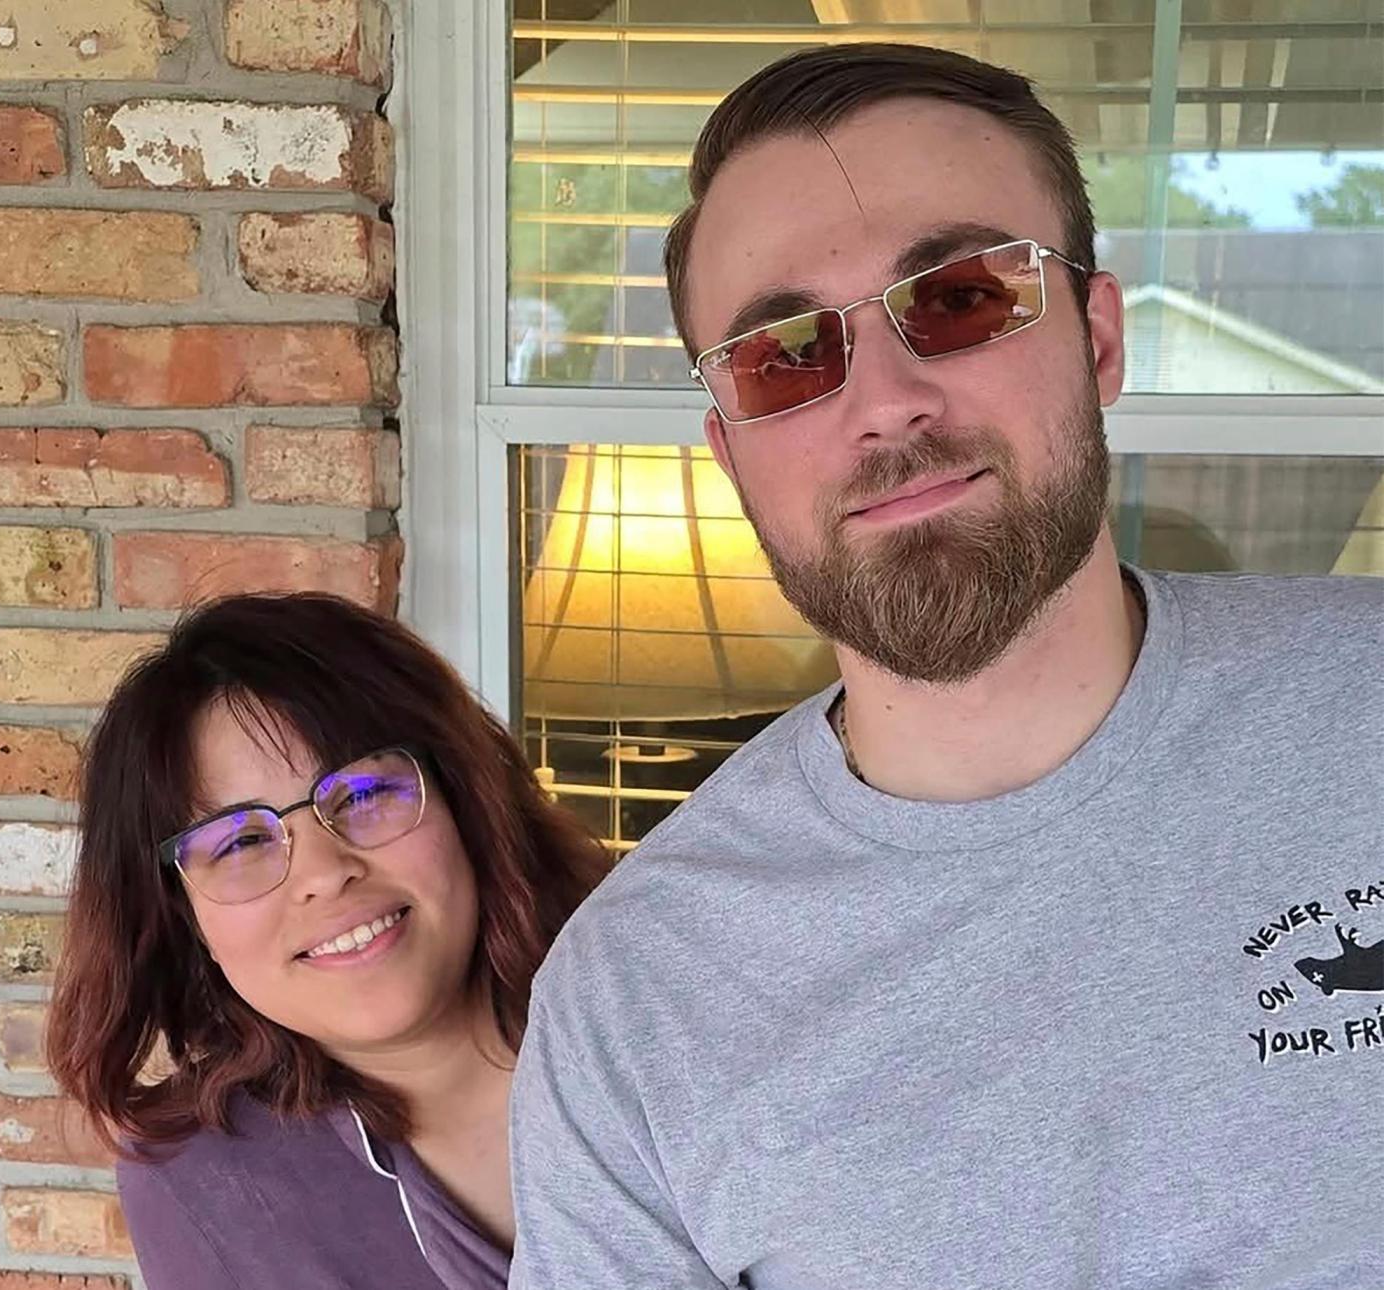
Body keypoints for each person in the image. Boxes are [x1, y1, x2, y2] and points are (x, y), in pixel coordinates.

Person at [507, 42, 1384, 1289]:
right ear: (729, 451)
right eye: (783, 356)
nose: (885, 401)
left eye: (961, 297)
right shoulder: (635, 997)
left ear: (1096, 339)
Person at [48, 593, 606, 1289]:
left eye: (364, 794)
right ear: (185, 917)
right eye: (240, 842)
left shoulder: (659, 1011)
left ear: (465, 800)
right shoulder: (201, 1182)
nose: (324, 873)